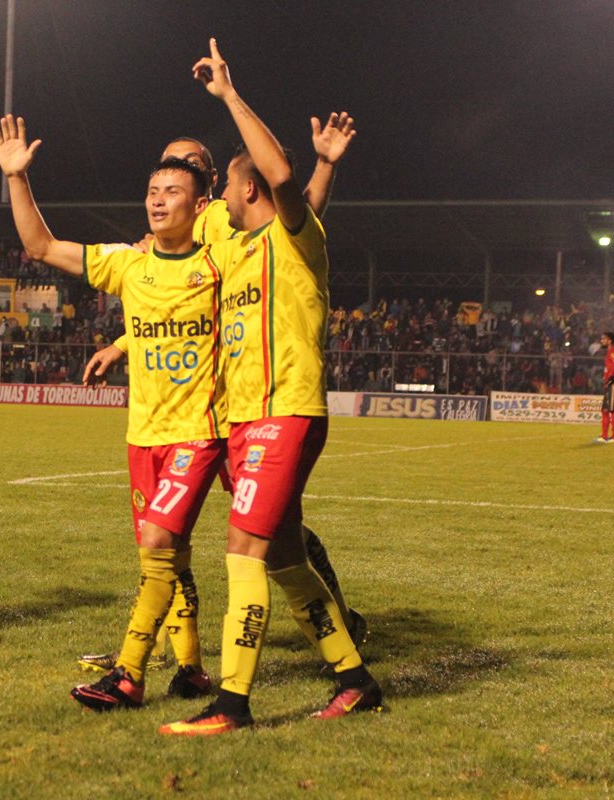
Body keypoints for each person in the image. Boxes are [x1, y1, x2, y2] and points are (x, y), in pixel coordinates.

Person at [77, 116, 368, 676]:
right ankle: (171, 652)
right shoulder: (182, 228)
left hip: (241, 408)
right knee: (193, 536)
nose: (168, 181)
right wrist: (121, 343)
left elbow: (297, 212)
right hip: (216, 408)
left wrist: (325, 166)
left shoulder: (229, 221)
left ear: (209, 181)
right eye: (164, 169)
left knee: (271, 532)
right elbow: (168, 300)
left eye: (183, 168)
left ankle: (314, 647)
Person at [159, 40, 380, 737]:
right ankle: (354, 678)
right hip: (245, 419)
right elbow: (177, 255)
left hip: (285, 414)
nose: (219, 198)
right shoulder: (236, 249)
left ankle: (233, 703)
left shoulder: (294, 239)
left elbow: (286, 183)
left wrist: (228, 95)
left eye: (225, 186)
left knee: (242, 552)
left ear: (247, 189)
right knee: (284, 558)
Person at [0, 115, 229, 710]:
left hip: (197, 434)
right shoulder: (129, 264)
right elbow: (41, 247)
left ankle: (128, 674)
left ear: (201, 204)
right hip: (141, 434)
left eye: (172, 191)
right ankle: (193, 670)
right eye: (152, 191)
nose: (157, 200)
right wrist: (17, 179)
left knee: (159, 543)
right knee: (164, 556)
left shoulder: (221, 265)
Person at [595, 331, 614, 443]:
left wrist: (611, 377)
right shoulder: (611, 351)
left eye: (603, 339)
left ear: (609, 340)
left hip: (613, 383)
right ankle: (604, 436)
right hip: (608, 383)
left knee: (612, 410)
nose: (601, 341)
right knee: (605, 410)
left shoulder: (612, 351)